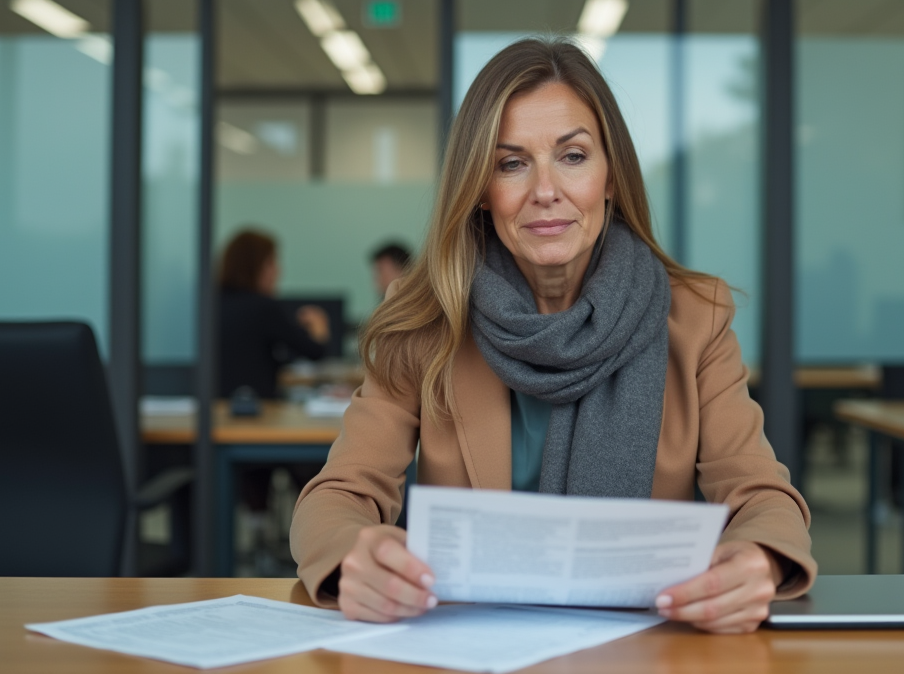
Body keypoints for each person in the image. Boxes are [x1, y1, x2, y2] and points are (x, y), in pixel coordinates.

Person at [291, 38, 816, 634]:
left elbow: (762, 498)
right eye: (511, 163)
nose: (546, 190)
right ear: (481, 191)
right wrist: (352, 558)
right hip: (468, 645)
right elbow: (336, 496)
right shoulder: (426, 319)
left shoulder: (696, 318)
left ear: (611, 176)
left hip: (643, 646)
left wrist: (758, 561)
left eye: (572, 157)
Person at [218, 229, 330, 398]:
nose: (277, 271)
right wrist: (320, 327)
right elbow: (314, 352)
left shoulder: (211, 303)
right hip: (257, 408)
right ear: (255, 266)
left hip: (215, 408)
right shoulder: (264, 307)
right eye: (271, 263)